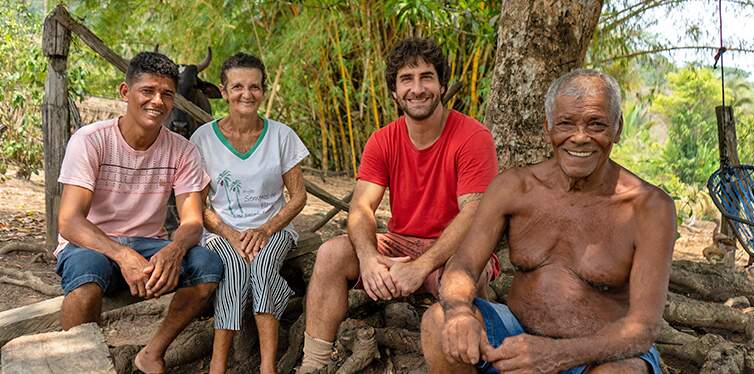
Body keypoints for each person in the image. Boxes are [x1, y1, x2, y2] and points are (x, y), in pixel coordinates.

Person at [420, 69, 676, 374]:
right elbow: (462, 266)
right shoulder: (514, 187)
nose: (580, 137)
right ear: (547, 128)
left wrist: (557, 354)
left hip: (600, 353)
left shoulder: (650, 207)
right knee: (437, 322)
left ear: (617, 129)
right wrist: (460, 312)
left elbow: (643, 328)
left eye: (596, 124)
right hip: (514, 336)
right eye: (566, 123)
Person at [297, 37, 501, 373]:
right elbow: (362, 208)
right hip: (401, 244)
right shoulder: (382, 139)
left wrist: (422, 266)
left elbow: (475, 212)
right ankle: (313, 364)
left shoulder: (473, 137)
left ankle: (466, 359)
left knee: (463, 276)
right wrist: (368, 258)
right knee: (331, 253)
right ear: (394, 91)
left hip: (455, 249)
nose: (417, 89)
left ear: (442, 85)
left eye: (426, 77)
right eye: (407, 79)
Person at [56, 51, 224, 374]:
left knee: (207, 265)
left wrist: (174, 251)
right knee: (86, 283)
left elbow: (192, 221)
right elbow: (69, 221)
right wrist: (122, 255)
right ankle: (81, 366)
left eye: (166, 94)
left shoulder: (183, 150)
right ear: (125, 92)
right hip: (92, 244)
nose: (157, 101)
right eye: (147, 91)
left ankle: (152, 353)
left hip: (150, 244)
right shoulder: (90, 141)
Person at [190, 52, 309, 374]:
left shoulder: (282, 136)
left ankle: (267, 367)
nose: (246, 94)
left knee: (262, 267)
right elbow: (199, 205)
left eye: (254, 87)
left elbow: (298, 196)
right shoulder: (202, 139)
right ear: (223, 91)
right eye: (238, 87)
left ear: (263, 90)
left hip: (273, 229)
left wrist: (266, 230)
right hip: (220, 232)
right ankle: (218, 365)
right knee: (237, 270)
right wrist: (230, 234)